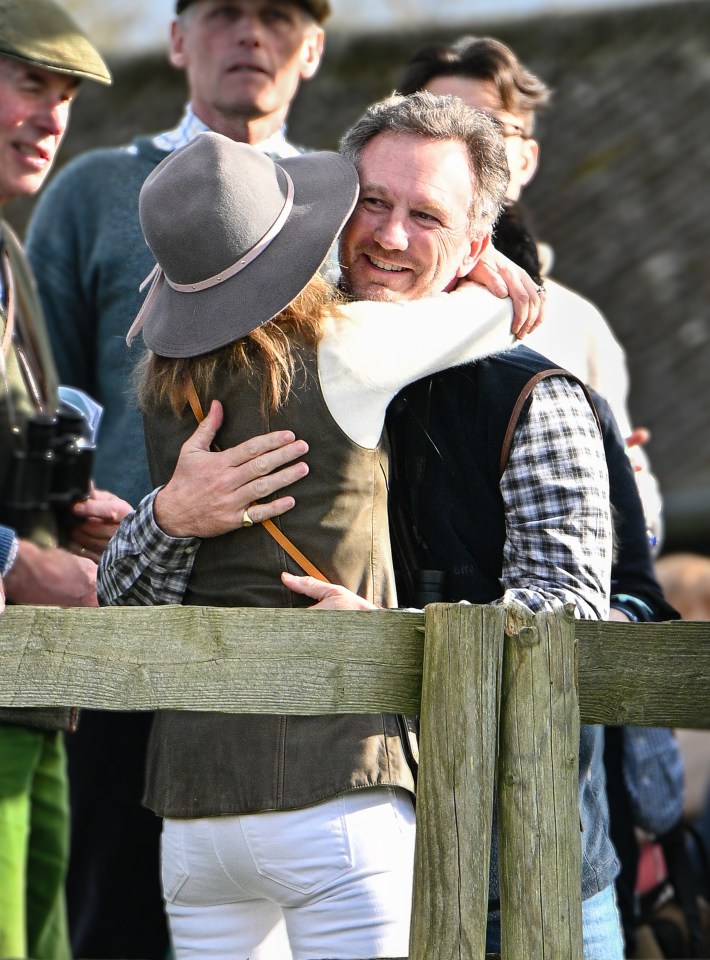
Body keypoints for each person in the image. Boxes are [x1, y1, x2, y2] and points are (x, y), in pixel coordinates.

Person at [97, 93, 605, 959]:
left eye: (426, 216)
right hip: (340, 783)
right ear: (323, 226)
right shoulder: (352, 348)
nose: (392, 236)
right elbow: (495, 314)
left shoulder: (164, 381)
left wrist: (406, 642)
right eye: (372, 203)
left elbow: (575, 616)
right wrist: (167, 517)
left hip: (200, 802)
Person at [23, 1, 332, 954]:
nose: (251, 34)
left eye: (279, 15)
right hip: (127, 609)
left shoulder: (348, 204)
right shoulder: (92, 192)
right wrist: (74, 529)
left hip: (302, 622)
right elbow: (42, 397)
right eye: (224, 12)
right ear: (175, 39)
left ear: (313, 47)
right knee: (118, 903)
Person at [395, 34, 664, 552]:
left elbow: (638, 515)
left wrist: (621, 486)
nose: (465, 143)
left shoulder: (579, 323)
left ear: (526, 159)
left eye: (491, 127)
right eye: (440, 120)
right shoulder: (368, 285)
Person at [0, 3, 119, 957]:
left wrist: (59, 519)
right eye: (30, 82)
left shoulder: (8, 251)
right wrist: (11, 560)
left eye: (66, 96)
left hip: (31, 687)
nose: (52, 118)